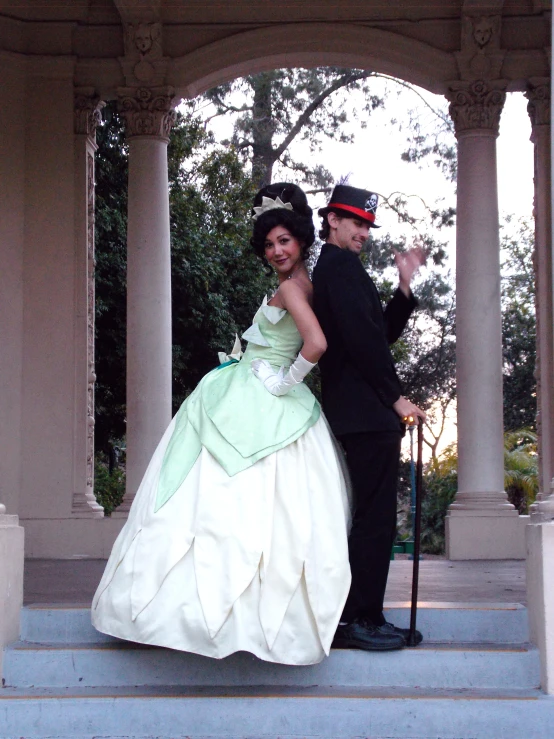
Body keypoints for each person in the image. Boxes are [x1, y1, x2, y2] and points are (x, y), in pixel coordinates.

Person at [92, 183, 351, 666]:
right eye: (269, 244)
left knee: (218, 499)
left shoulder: (294, 288)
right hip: (253, 387)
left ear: (301, 241)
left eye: (284, 242)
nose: (276, 251)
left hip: (260, 391)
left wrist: (283, 381)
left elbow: (314, 343)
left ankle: (196, 612)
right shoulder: (302, 286)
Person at [312, 184, 426, 652]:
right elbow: (362, 345)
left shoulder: (345, 268)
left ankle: (366, 614)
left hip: (363, 411)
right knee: (374, 518)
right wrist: (395, 397)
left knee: (374, 516)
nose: (362, 231)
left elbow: (378, 334)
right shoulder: (337, 267)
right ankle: (359, 618)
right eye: (355, 222)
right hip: (364, 413)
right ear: (332, 220)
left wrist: (403, 287)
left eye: (366, 225)